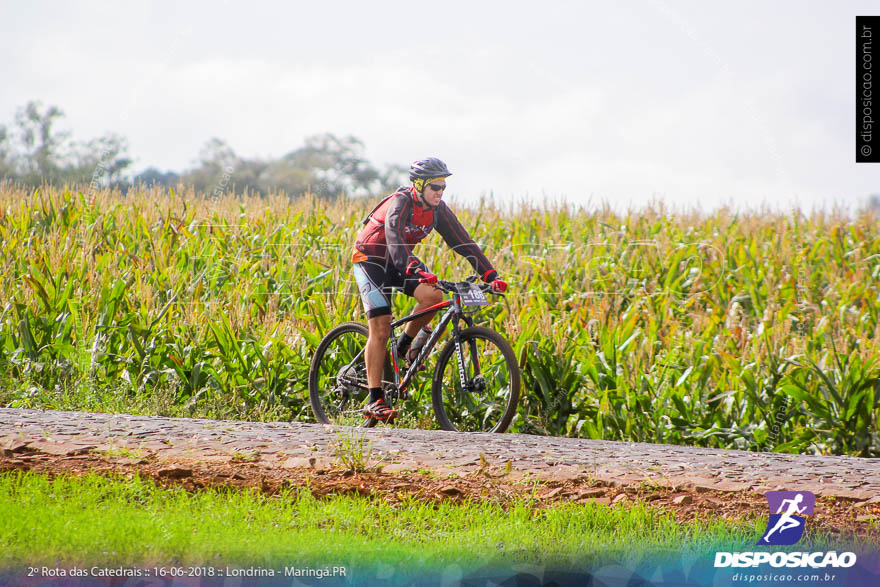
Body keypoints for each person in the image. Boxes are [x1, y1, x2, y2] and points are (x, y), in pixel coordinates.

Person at [351, 157, 508, 421]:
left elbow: (463, 242)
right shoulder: (401, 203)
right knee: (380, 325)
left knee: (433, 296)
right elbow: (394, 240)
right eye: (435, 187)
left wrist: (490, 274)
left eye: (443, 187)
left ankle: (404, 348)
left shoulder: (438, 210)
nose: (440, 192)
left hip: (400, 262)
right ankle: (374, 398)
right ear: (420, 185)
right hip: (371, 259)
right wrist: (414, 268)